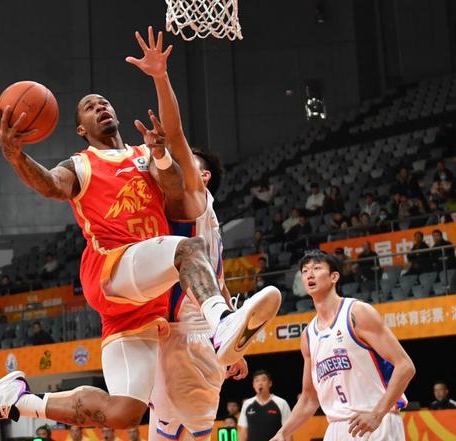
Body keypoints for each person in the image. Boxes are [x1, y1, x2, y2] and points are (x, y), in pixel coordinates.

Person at [0, 28, 279, 429]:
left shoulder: (145, 154)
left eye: (104, 103)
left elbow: (175, 187)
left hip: (142, 302)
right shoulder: (81, 163)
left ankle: (21, 401)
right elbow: (52, 185)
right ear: (81, 128)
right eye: (90, 107)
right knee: (187, 248)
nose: (100, 108)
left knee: (124, 412)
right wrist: (16, 157)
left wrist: (161, 156)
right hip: (112, 268)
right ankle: (223, 322)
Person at [126, 27, 273, 441]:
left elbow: (174, 133)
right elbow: (218, 286)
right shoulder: (204, 216)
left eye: (189, 162)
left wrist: (160, 78)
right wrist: (232, 344)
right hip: (193, 334)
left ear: (202, 175)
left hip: (186, 335)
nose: (181, 163)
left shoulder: (195, 198)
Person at [270, 250, 415, 441]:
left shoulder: (357, 313)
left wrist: (377, 413)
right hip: (336, 427)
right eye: (305, 271)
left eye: (316, 268)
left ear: (334, 277)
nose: (309, 274)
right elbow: (309, 398)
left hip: (375, 421)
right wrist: (283, 433)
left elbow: (405, 366)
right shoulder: (308, 336)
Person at [237, 370, 291, 441]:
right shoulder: (247, 404)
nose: (260, 383)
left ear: (270, 383)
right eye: (257, 380)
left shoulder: (281, 403)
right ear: (253, 385)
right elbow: (244, 432)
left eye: (263, 380)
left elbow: (288, 431)